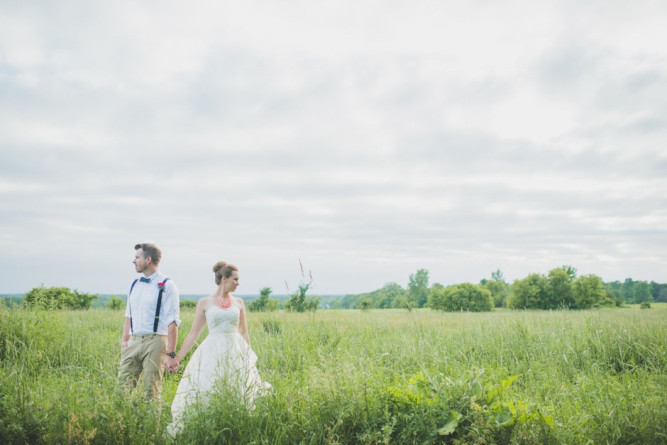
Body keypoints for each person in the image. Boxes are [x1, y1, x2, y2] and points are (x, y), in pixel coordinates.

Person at [166, 261, 271, 436]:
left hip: (235, 349)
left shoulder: (239, 302)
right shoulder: (205, 302)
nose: (238, 283)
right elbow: (194, 334)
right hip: (212, 350)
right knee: (209, 386)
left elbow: (244, 333)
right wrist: (177, 358)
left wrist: (248, 357)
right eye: (235, 279)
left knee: (237, 387)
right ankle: (209, 427)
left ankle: (235, 427)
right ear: (224, 279)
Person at [117, 243, 180, 400]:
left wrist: (171, 354)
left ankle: (151, 425)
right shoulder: (134, 284)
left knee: (151, 390)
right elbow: (128, 315)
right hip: (134, 340)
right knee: (122, 389)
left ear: (148, 260)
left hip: (156, 341)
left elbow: (172, 322)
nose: (134, 261)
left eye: (137, 257)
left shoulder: (167, 285)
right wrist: (125, 340)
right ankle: (120, 424)